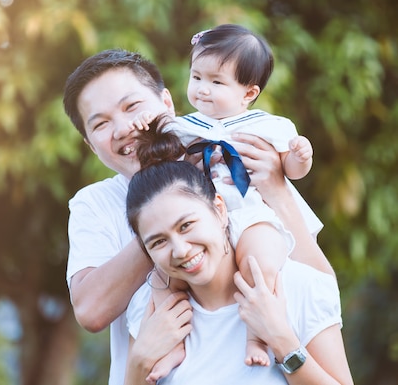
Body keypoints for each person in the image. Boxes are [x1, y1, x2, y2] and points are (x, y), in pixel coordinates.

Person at [62, 49, 333, 385]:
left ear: (167, 104)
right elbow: (91, 310)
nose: (123, 128)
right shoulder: (96, 203)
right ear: (90, 144)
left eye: (132, 107)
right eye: (100, 124)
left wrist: (276, 190)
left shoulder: (235, 167)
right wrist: (162, 220)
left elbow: (318, 285)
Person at [129, 24, 322, 370]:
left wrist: (299, 157)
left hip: (249, 213)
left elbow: (289, 170)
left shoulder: (267, 125)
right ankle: (173, 345)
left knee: (260, 262)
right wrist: (147, 121)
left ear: (248, 93)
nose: (203, 90)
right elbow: (158, 143)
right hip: (199, 221)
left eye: (217, 82)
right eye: (197, 77)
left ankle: (257, 334)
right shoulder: (186, 126)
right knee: (165, 278)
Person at [123, 122, 353, 384]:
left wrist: (282, 341)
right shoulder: (149, 309)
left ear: (219, 210)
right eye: (158, 242)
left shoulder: (298, 286)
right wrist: (139, 361)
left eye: (186, 225)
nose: (181, 250)